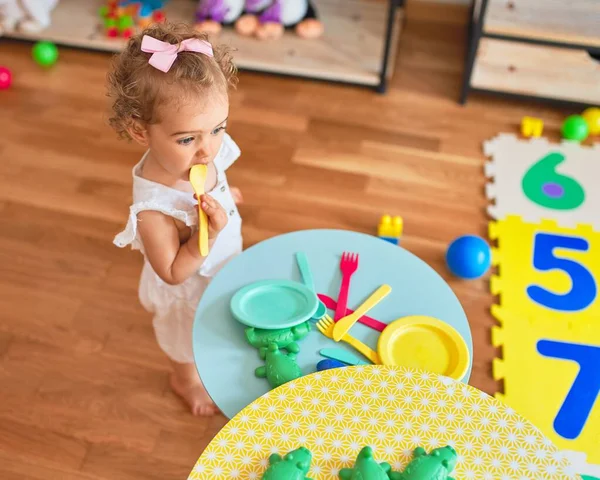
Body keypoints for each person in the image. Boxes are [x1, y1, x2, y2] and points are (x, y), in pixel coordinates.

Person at [108, 22, 243, 415]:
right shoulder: (154, 207)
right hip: (189, 287)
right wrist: (207, 235)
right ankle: (183, 381)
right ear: (140, 130)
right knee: (185, 341)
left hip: (220, 263)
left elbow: (210, 168)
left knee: (221, 316)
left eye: (218, 129)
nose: (207, 151)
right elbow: (171, 271)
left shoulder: (205, 151)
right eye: (188, 139)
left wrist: (224, 193)